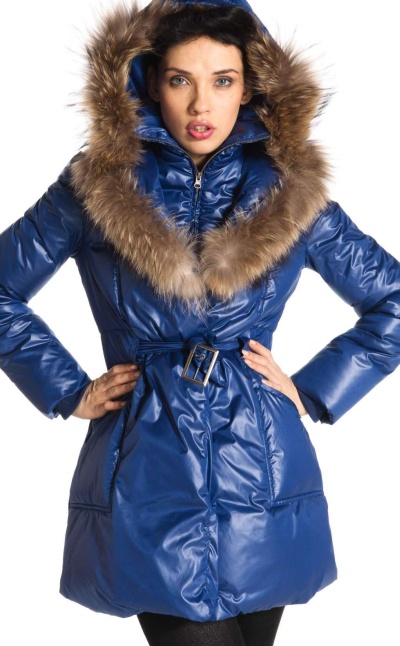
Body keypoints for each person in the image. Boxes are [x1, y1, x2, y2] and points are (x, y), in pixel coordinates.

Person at [1, 0, 399, 645]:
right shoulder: (95, 185)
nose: (200, 104)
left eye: (223, 80)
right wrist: (68, 391)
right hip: (147, 468)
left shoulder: (290, 190)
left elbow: (393, 300)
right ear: (149, 82)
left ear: (251, 87)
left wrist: (315, 389)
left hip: (262, 473)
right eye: (180, 79)